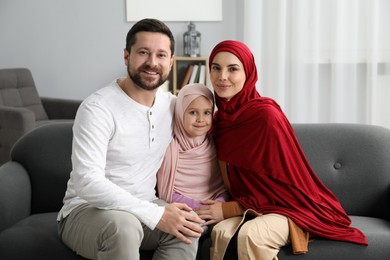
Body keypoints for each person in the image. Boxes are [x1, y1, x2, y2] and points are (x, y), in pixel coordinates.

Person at [195, 40, 368, 260]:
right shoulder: (218, 121)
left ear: (248, 72)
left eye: (233, 69)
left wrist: (229, 209)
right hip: (253, 207)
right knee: (220, 232)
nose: (222, 77)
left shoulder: (266, 117)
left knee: (251, 235)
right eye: (216, 68)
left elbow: (283, 187)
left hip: (289, 207)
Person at [57, 18, 204, 260]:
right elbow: (87, 181)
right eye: (143, 53)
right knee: (124, 227)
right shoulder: (98, 108)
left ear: (171, 62)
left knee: (188, 226)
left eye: (160, 55)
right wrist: (155, 214)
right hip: (86, 210)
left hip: (144, 206)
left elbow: (214, 123)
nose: (152, 63)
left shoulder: (173, 107)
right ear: (127, 56)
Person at [157, 83, 229, 212]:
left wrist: (219, 204)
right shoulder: (169, 149)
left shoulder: (215, 144)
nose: (201, 119)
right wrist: (199, 207)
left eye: (207, 112)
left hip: (216, 210)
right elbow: (166, 192)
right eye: (193, 112)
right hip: (182, 210)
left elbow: (222, 186)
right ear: (180, 113)